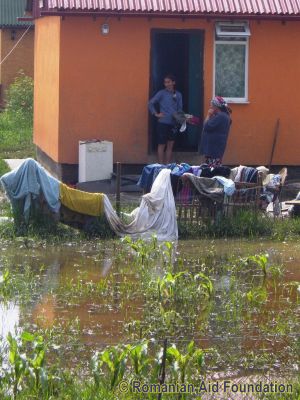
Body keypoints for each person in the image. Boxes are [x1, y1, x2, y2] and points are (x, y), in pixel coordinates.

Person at [148, 74, 183, 164]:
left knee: (170, 145)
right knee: (161, 144)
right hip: (162, 122)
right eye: (165, 82)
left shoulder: (178, 95)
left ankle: (167, 166)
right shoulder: (161, 93)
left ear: (173, 82)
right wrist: (156, 114)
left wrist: (181, 117)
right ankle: (160, 165)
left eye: (168, 82)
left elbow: (180, 109)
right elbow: (150, 103)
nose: (166, 84)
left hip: (173, 123)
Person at [201, 96, 232, 168]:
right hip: (215, 148)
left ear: (216, 106)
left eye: (212, 105)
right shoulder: (222, 116)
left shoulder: (220, 116)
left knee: (212, 170)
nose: (210, 107)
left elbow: (206, 126)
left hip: (214, 149)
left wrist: (208, 115)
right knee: (213, 168)